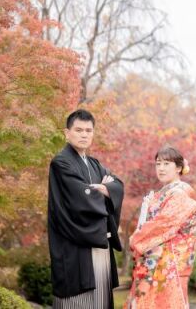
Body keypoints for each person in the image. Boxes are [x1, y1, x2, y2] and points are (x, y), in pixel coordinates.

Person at [48, 109, 124, 309]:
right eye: (79, 130)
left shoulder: (94, 163)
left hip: (98, 241)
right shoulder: (61, 163)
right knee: (77, 301)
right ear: (67, 133)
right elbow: (79, 198)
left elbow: (117, 184)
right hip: (73, 243)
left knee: (100, 299)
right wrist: (103, 190)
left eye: (88, 130)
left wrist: (106, 189)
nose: (84, 134)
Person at [126, 146, 196, 309]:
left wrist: (136, 238)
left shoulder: (180, 194)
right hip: (158, 259)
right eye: (158, 163)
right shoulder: (164, 193)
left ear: (179, 168)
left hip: (170, 261)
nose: (161, 168)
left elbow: (163, 224)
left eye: (166, 164)